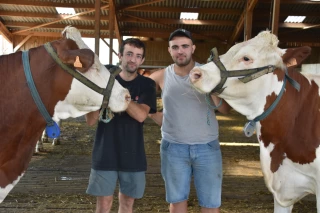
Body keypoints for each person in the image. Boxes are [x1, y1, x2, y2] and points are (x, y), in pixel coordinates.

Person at [149, 29, 231, 213]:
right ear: (169, 50)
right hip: (174, 148)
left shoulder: (209, 73)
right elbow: (141, 98)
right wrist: (157, 117)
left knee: (210, 204)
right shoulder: (161, 76)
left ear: (192, 48)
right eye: (175, 47)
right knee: (177, 202)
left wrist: (207, 86)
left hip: (207, 148)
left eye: (185, 46)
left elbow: (226, 109)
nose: (180, 51)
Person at [85, 38, 157, 213]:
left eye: (138, 56)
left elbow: (141, 115)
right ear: (120, 56)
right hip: (104, 153)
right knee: (103, 205)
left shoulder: (146, 85)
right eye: (129, 54)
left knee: (127, 204)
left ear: (142, 61)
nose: (133, 59)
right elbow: (90, 120)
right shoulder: (104, 82)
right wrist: (104, 92)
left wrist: (118, 93)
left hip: (133, 154)